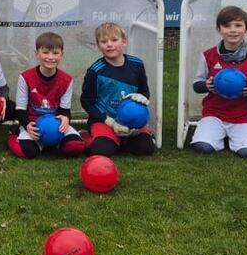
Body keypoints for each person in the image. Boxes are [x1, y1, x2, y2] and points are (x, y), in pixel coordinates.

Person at [190, 6, 247, 157]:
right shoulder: (208, 55)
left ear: (246, 29)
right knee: (203, 147)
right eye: (227, 26)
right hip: (214, 113)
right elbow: (197, 85)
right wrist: (206, 85)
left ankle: (236, 137)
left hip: (244, 116)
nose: (233, 30)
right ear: (219, 29)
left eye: (238, 25)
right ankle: (216, 135)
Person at [81, 22, 155, 157]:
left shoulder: (137, 64)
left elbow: (144, 91)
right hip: (104, 120)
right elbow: (87, 102)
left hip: (132, 120)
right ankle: (87, 137)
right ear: (98, 46)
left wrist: (143, 98)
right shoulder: (95, 71)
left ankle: (124, 140)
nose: (109, 44)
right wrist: (111, 122)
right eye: (104, 41)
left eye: (114, 40)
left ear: (124, 42)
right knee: (102, 150)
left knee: (145, 148)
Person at [9, 31, 86, 159]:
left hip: (55, 125)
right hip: (33, 124)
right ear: (36, 54)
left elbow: (64, 110)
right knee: (28, 152)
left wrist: (66, 119)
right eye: (45, 52)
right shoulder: (25, 77)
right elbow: (20, 109)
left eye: (55, 53)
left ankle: (56, 142)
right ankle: (12, 135)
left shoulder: (66, 80)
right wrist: (27, 125)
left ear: (62, 54)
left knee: (75, 147)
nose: (50, 57)